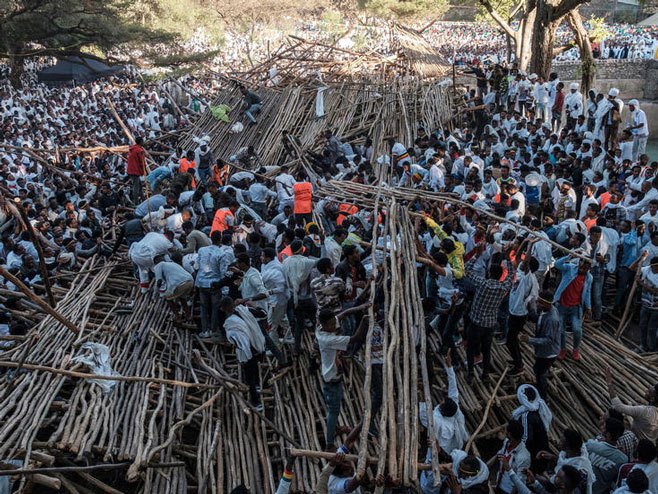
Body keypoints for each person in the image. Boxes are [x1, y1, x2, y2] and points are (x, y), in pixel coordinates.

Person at [315, 302, 369, 449]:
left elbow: (344, 314)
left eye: (334, 323)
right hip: (332, 379)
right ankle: (329, 443)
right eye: (331, 325)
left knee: (333, 408)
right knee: (333, 411)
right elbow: (356, 338)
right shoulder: (328, 339)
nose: (335, 327)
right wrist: (365, 321)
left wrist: (360, 307)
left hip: (330, 375)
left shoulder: (321, 328)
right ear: (324, 324)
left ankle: (334, 430)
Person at [220, 296, 266, 408]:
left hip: (246, 351)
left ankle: (256, 402)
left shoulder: (229, 323)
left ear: (223, 309)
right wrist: (252, 304)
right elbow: (263, 313)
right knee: (254, 368)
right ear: (233, 304)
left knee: (249, 374)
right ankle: (257, 385)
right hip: (257, 345)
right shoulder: (245, 310)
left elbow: (234, 340)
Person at [521, 290, 561, 397]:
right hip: (544, 351)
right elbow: (539, 320)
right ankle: (540, 386)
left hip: (548, 353)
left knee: (540, 373)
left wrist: (530, 340)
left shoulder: (552, 319)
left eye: (541, 303)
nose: (538, 304)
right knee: (538, 369)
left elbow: (549, 340)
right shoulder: (546, 311)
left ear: (548, 304)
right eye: (538, 302)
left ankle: (543, 397)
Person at [195, 232, 234, 340]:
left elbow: (197, 265)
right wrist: (225, 288)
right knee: (215, 308)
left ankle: (204, 330)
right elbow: (223, 272)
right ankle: (213, 330)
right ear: (220, 240)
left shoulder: (202, 250)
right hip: (214, 284)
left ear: (211, 238)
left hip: (201, 282)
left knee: (204, 308)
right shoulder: (222, 253)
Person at [553, 254, 593, 361]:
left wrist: (588, 307)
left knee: (577, 329)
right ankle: (562, 349)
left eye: (585, 268)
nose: (582, 269)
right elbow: (557, 264)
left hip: (575, 306)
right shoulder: (570, 268)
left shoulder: (589, 278)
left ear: (588, 268)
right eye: (581, 266)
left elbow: (587, 292)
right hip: (561, 304)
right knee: (560, 329)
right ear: (579, 263)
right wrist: (569, 256)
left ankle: (576, 349)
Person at [606, 366, 658, 442]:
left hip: (637, 446)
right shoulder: (652, 411)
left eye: (649, 392)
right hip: (650, 446)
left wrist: (609, 383)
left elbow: (618, 406)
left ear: (652, 399)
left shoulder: (644, 411)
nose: (646, 390)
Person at [512, 384, 552, 472]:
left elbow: (526, 438)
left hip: (535, 455)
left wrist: (516, 450)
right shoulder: (537, 408)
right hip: (542, 451)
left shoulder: (526, 415)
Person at [586, 417, 629, 494]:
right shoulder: (623, 459)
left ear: (608, 434)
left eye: (604, 428)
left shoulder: (590, 445)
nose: (602, 429)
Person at [495, 419, 531, 494]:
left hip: (508, 491)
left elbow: (519, 483)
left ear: (509, 434)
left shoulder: (524, 457)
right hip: (499, 484)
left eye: (506, 431)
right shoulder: (507, 443)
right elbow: (500, 454)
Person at [127, 136, 147, 204]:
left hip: (130, 169)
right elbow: (142, 162)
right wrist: (144, 171)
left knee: (139, 185)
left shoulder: (133, 149)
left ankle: (143, 199)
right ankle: (136, 202)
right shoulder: (139, 150)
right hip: (135, 170)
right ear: (141, 142)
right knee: (136, 187)